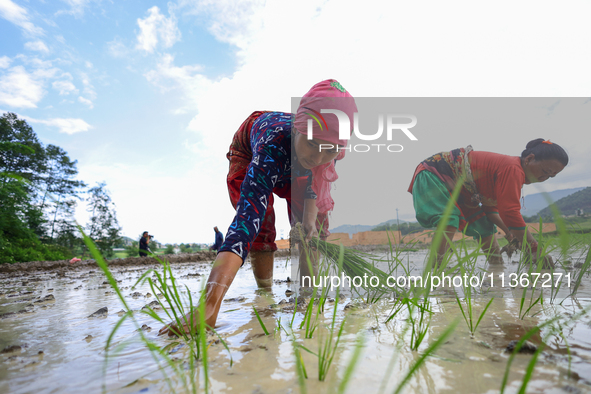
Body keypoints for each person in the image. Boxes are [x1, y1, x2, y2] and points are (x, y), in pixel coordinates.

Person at [159, 79, 357, 336]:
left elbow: (313, 186)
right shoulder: (272, 146)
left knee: (313, 230)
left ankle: (309, 293)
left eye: (329, 150)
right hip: (251, 151)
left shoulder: (325, 150)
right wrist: (208, 305)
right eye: (312, 143)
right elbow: (243, 225)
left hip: (293, 166)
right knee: (261, 221)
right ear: (299, 129)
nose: (318, 157)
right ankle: (264, 293)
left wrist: (308, 220)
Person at [408, 139, 568, 266]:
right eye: (545, 171)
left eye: (551, 176)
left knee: (483, 225)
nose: (544, 178)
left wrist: (510, 234)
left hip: (463, 189)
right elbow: (510, 212)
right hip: (435, 174)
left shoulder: (510, 173)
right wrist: (533, 248)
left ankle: (496, 266)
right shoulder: (513, 169)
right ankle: (437, 269)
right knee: (448, 220)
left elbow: (490, 209)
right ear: (530, 159)